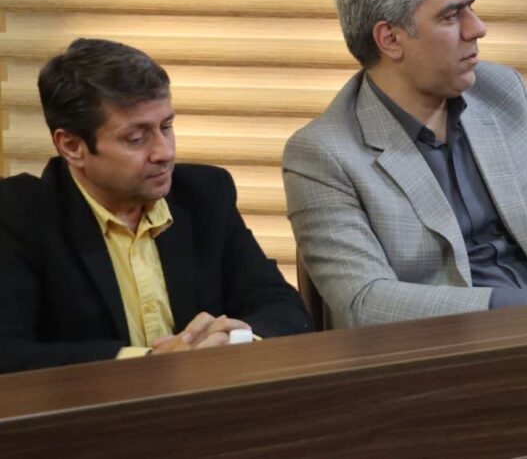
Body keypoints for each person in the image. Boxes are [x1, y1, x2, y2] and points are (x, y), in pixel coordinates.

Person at [283, 0, 527, 327]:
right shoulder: (323, 154)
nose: (478, 29)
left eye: (471, 9)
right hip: (441, 347)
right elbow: (366, 299)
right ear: (390, 39)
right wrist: (515, 307)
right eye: (451, 16)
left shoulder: (503, 93)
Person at [0, 39, 311, 373]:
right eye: (136, 138)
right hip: (94, 406)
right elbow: (9, 353)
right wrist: (151, 363)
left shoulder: (205, 195)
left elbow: (283, 308)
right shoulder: (18, 215)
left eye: (166, 127)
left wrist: (234, 341)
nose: (165, 152)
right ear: (72, 147)